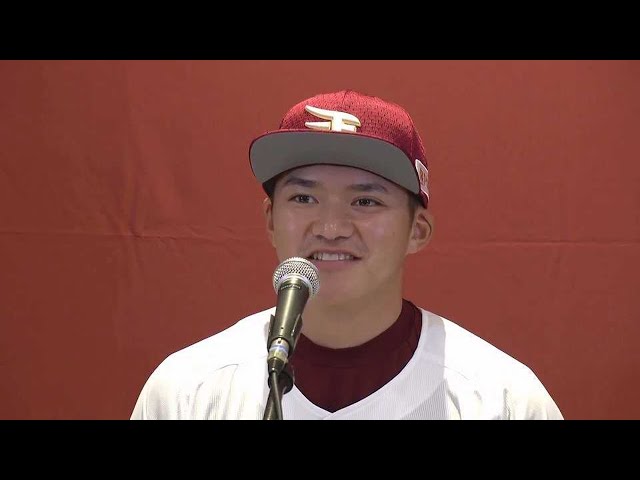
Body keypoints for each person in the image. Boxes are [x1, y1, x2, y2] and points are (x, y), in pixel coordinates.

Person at [130, 89, 564, 420]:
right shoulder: (188, 390)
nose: (331, 228)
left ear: (418, 231)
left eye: (365, 201)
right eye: (303, 198)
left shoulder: (500, 399)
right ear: (270, 219)